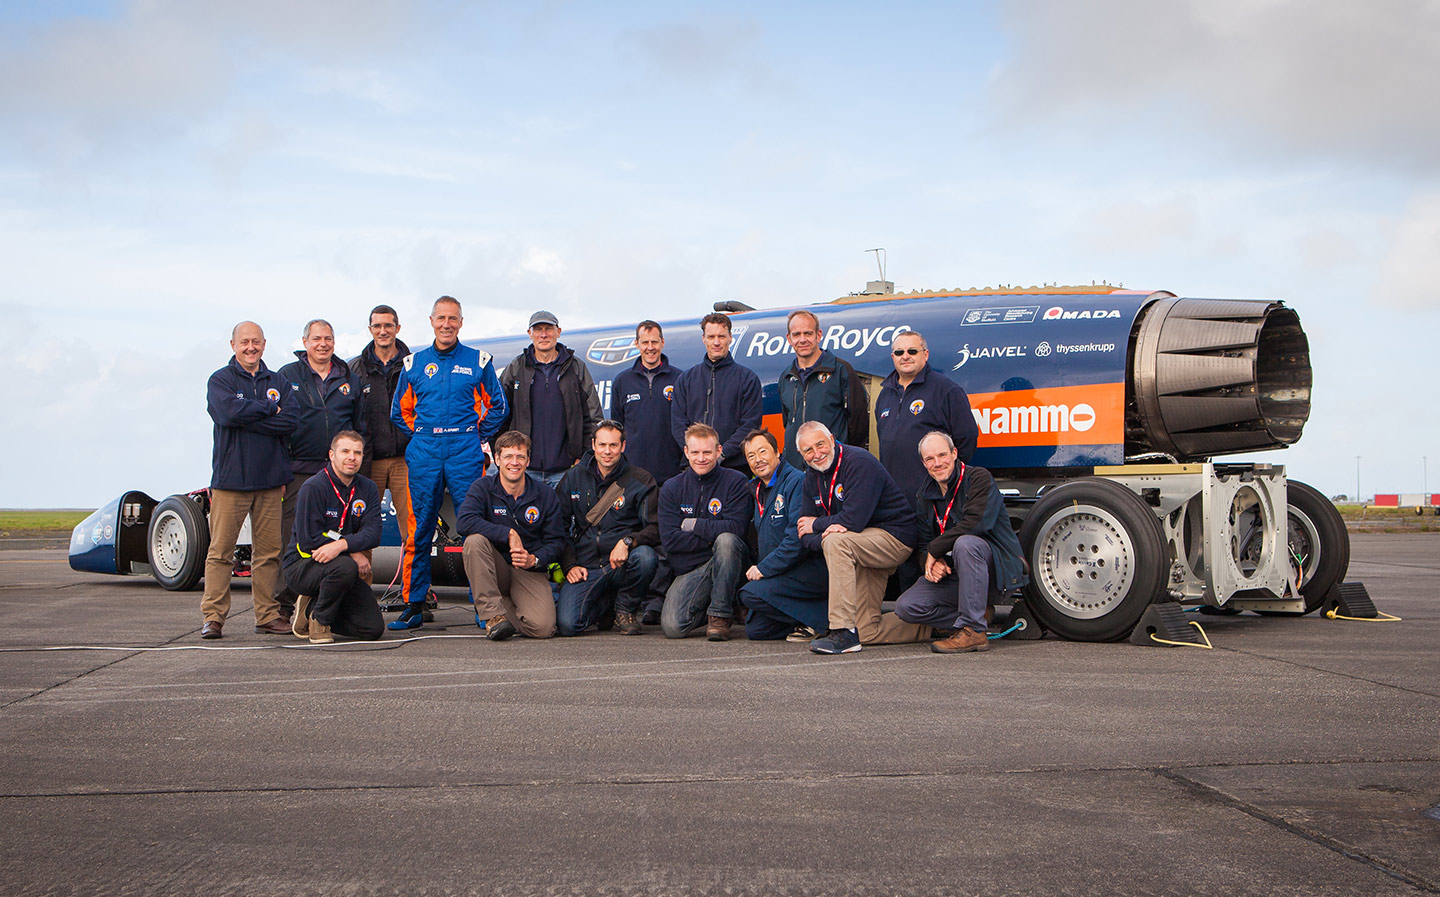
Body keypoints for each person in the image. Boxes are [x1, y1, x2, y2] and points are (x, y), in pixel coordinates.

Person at [389, 296, 509, 630]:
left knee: (474, 526)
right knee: (419, 528)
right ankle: (414, 603)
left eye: (452, 318)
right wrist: (426, 434)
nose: (446, 324)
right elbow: (399, 412)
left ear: (461, 322)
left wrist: (474, 435)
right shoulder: (414, 364)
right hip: (425, 451)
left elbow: (498, 406)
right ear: (431, 321)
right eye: (441, 318)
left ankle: (483, 605)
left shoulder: (478, 361)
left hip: (464, 450)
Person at [795, 421, 929, 654]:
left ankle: (842, 631)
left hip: (893, 537)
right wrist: (825, 533)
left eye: (820, 444)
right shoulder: (811, 477)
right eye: (808, 450)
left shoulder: (858, 462)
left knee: (837, 541)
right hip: (859, 545)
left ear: (832, 439)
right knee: (866, 631)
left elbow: (852, 520)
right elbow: (803, 535)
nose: (816, 454)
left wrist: (818, 525)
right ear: (800, 453)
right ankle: (933, 625)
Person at [200, 321, 298, 639]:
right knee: (220, 552)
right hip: (230, 482)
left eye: (256, 341)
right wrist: (269, 408)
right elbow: (227, 414)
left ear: (265, 344)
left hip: (271, 481)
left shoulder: (279, 380)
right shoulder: (220, 380)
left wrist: (249, 417)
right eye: (244, 342)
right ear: (233, 345)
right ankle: (213, 617)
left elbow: (291, 421)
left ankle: (267, 616)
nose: (250, 347)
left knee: (268, 553)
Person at [895, 431, 1029, 653]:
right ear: (923, 463)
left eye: (942, 455)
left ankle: (974, 630)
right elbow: (923, 544)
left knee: (966, 543)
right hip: (956, 575)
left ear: (954, 453)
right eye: (930, 459)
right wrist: (931, 562)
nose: (937, 463)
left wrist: (935, 549)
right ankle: (978, 615)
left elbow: (976, 524)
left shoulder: (978, 478)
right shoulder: (924, 495)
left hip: (994, 571)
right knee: (906, 607)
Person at [276, 319, 366, 618]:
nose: (323, 344)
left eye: (328, 338)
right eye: (316, 339)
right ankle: (283, 606)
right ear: (305, 342)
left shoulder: (349, 378)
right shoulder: (287, 376)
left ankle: (321, 601)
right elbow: (277, 426)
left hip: (339, 474)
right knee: (293, 538)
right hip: (299, 470)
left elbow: (358, 426)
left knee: (338, 531)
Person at [555, 421, 661, 636]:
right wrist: (569, 565)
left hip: (621, 564)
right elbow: (557, 527)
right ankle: (605, 605)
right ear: (593, 444)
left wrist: (628, 541)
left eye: (613, 445)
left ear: (623, 446)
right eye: (602, 445)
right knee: (568, 626)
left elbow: (656, 528)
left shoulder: (641, 480)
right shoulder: (573, 477)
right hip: (586, 567)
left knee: (646, 557)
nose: (607, 451)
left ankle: (625, 608)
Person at [456, 431, 564, 640]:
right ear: (497, 459)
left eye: (520, 457)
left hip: (528, 570)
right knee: (474, 541)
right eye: (508, 457)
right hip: (495, 570)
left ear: (528, 460)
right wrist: (508, 533)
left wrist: (535, 559)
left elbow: (557, 542)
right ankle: (494, 616)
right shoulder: (483, 487)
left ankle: (504, 604)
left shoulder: (545, 494)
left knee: (542, 629)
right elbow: (464, 522)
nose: (514, 463)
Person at [282, 431, 385, 643]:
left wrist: (343, 546)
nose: (352, 457)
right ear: (332, 455)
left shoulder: (368, 488)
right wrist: (351, 551)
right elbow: (309, 538)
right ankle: (320, 622)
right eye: (345, 451)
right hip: (303, 564)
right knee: (346, 566)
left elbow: (374, 534)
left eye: (357, 453)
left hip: (339, 563)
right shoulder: (313, 487)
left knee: (372, 629)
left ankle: (311, 611)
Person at [657, 423, 751, 640]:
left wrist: (694, 525)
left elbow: (737, 528)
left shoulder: (736, 482)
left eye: (707, 452)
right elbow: (671, 541)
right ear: (686, 452)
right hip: (693, 569)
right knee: (673, 627)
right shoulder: (671, 488)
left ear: (719, 451)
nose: (701, 458)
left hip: (730, 561)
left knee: (727, 542)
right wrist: (711, 541)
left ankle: (719, 616)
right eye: (696, 452)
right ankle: (726, 599)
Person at [736, 429, 829, 641]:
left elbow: (797, 540)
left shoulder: (796, 482)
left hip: (805, 569)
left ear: (778, 452)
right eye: (751, 456)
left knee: (748, 593)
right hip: (781, 573)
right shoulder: (757, 489)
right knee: (756, 630)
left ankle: (826, 620)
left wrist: (764, 569)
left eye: (763, 451)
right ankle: (804, 622)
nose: (758, 460)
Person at [499, 310, 603, 489]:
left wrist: (585, 457)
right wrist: (502, 453)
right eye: (538, 330)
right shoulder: (516, 368)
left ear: (559, 331)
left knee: (563, 518)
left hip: (566, 471)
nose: (544, 334)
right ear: (530, 334)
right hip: (524, 470)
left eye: (549, 329)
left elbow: (593, 417)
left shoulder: (576, 368)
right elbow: (499, 413)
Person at [874, 329, 979, 504]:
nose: (905, 356)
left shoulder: (946, 390)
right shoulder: (885, 394)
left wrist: (945, 479)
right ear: (893, 357)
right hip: (895, 499)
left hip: (934, 498)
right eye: (899, 352)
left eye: (912, 351)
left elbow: (967, 438)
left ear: (925, 354)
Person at [349, 305, 413, 590]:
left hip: (405, 459)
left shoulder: (414, 364)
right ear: (370, 329)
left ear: (398, 328)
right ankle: (359, 596)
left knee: (413, 530)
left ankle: (415, 595)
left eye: (388, 325)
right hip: (367, 462)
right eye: (377, 326)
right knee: (362, 530)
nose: (383, 331)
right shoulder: (355, 369)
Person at [670, 313, 763, 473]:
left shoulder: (747, 379)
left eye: (721, 336)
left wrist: (721, 454)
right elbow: (678, 423)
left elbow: (750, 424)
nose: (716, 342)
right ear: (703, 338)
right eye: (711, 336)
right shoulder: (686, 379)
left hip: (734, 468)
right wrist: (697, 454)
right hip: (692, 468)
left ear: (730, 337)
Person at [777, 310, 869, 468]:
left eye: (808, 333)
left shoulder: (840, 371)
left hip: (833, 466)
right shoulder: (786, 378)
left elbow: (858, 423)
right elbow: (787, 422)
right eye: (797, 334)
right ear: (789, 339)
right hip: (797, 468)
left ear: (818, 335)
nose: (803, 339)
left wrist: (844, 457)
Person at [611, 320, 683, 485]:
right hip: (633, 476)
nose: (650, 347)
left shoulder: (680, 379)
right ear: (637, 344)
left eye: (654, 342)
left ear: (662, 343)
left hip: (672, 475)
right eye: (645, 342)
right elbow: (617, 428)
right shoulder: (622, 381)